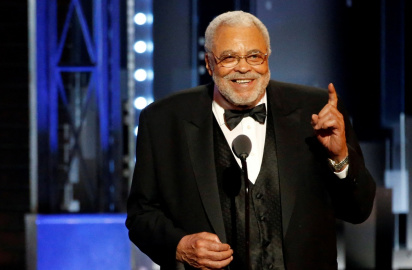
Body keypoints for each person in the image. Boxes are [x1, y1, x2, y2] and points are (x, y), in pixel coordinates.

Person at [126, 10, 376, 270]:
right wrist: (179, 246)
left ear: (267, 59)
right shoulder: (164, 120)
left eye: (254, 56)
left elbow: (358, 211)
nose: (243, 67)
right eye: (229, 57)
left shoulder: (315, 110)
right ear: (210, 63)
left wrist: (340, 158)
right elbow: (141, 216)